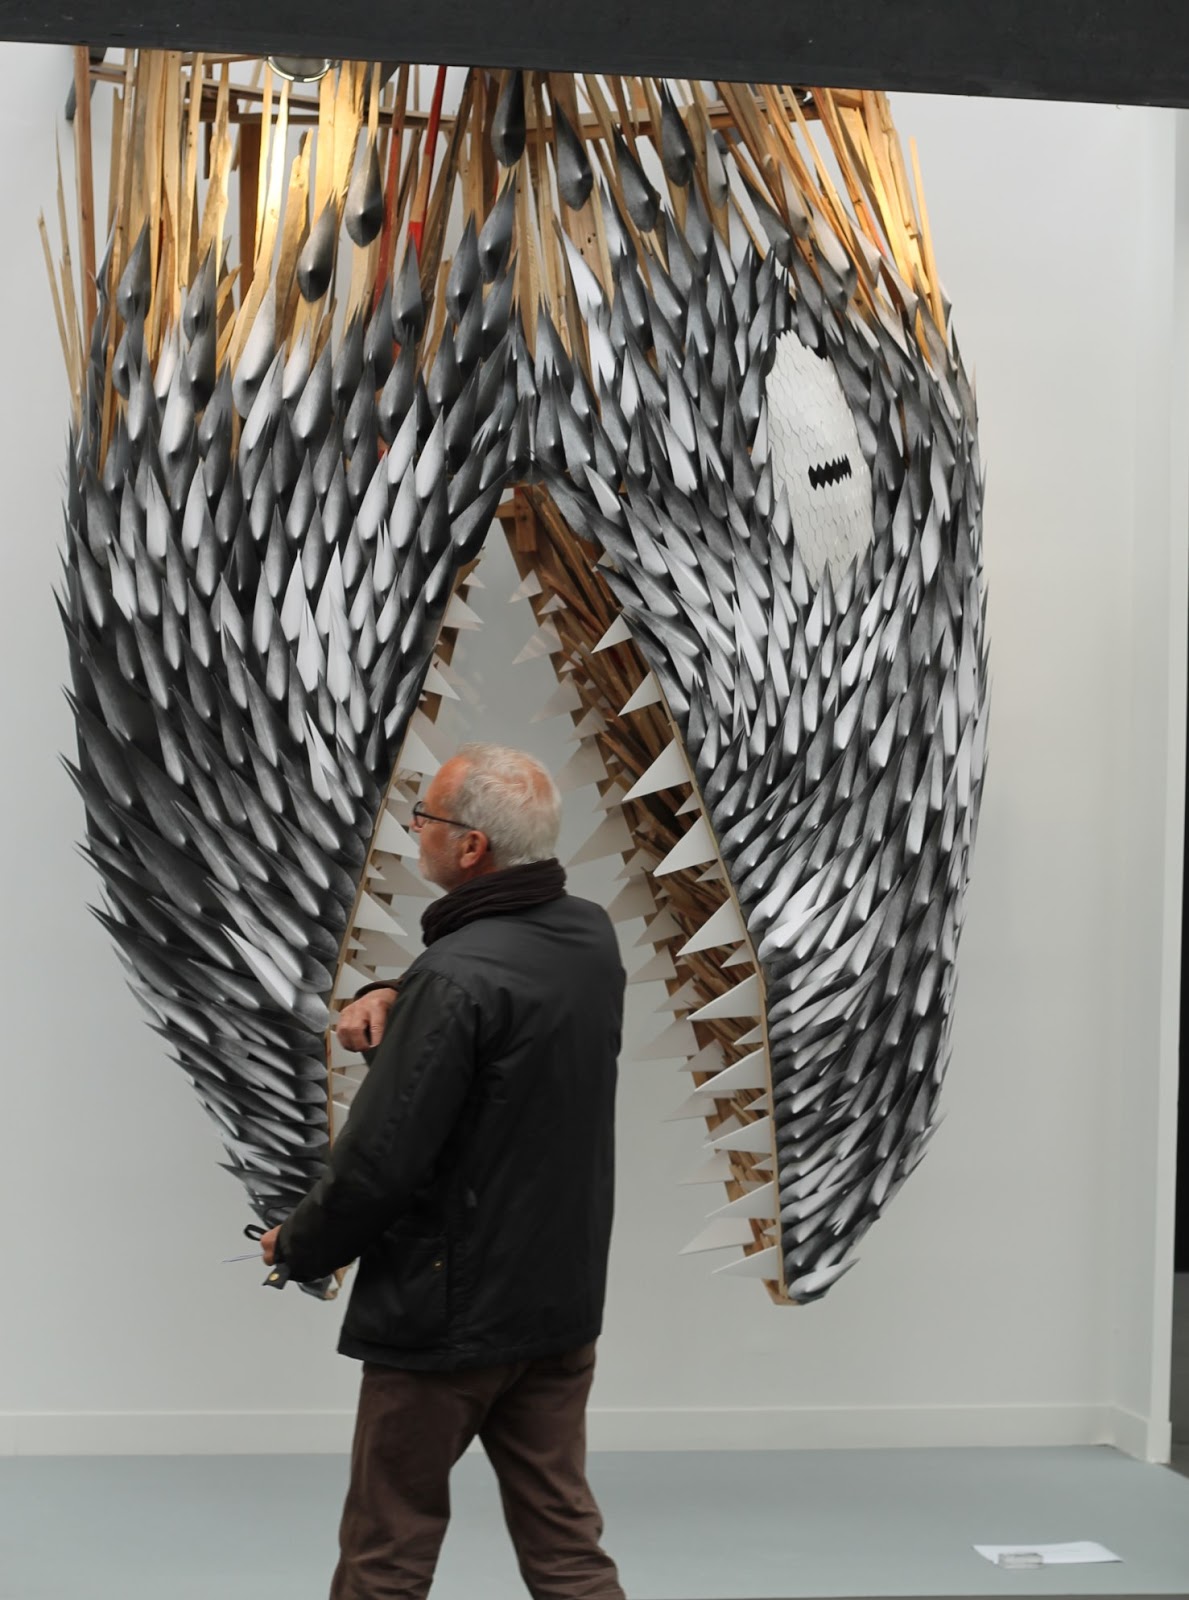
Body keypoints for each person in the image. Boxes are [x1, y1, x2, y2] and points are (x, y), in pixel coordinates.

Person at [260, 743, 627, 1600]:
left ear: (471, 848)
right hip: (556, 1304)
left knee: (386, 1551)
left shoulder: (455, 978)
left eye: (424, 816)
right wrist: (400, 991)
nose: (412, 828)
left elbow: (379, 1162)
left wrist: (298, 1246)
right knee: (567, 1549)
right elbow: (506, 1011)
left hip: (446, 1315)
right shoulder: (587, 936)